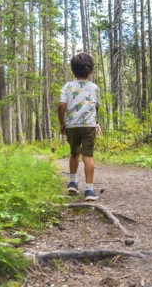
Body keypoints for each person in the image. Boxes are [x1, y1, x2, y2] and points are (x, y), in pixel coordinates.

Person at [58, 53, 101, 201]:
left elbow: (61, 105)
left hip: (72, 125)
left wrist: (62, 123)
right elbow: (96, 107)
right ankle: (89, 190)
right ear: (90, 70)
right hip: (88, 125)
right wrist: (96, 121)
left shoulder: (67, 86)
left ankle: (72, 182)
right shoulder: (95, 88)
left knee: (74, 153)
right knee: (88, 156)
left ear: (73, 70)